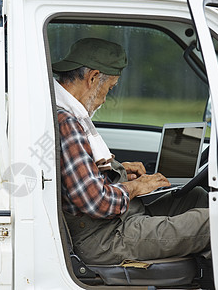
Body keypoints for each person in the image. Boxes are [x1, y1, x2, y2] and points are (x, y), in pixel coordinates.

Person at [53, 38, 209, 265]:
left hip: (114, 221)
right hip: (104, 237)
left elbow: (77, 175)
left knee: (197, 197)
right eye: (110, 88)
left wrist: (121, 171)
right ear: (93, 78)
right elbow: (97, 202)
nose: (105, 99)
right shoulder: (67, 121)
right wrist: (135, 187)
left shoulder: (68, 113)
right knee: (215, 222)